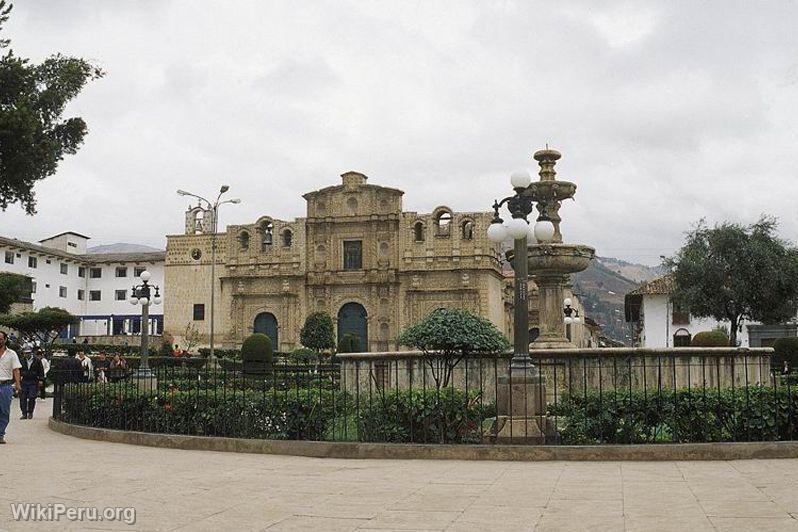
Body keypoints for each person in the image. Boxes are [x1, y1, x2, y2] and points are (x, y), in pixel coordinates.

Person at [0, 330, 22, 444]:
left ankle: (0, 434)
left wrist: (18, 384)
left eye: (0, 339)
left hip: (5, 386)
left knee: (4, 411)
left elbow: (16, 370)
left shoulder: (12, 354)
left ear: (5, 340)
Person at [18, 348, 44, 420]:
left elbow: (41, 370)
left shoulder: (37, 361)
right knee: (23, 398)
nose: (27, 354)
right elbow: (18, 370)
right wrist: (17, 380)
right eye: (25, 353)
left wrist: (41, 379)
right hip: (24, 381)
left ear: (31, 353)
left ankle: (30, 412)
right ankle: (24, 413)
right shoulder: (21, 361)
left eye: (28, 353)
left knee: (32, 397)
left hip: (33, 381)